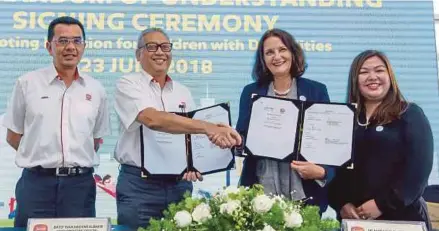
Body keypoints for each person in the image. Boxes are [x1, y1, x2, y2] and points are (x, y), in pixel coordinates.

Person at [114, 28, 241, 229]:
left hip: (178, 185)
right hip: (139, 187)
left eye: (165, 47)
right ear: (138, 54)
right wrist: (209, 128)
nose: (160, 52)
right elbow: (153, 119)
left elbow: (191, 137)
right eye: (151, 47)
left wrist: (194, 164)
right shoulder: (128, 84)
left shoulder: (183, 91)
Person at [3, 16, 110, 227]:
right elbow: (13, 136)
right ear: (49, 46)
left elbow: (96, 140)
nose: (70, 47)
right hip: (36, 184)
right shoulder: (27, 84)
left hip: (79, 187)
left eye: (77, 41)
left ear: (84, 47)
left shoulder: (96, 89)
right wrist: (41, 155)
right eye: (62, 41)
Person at [328, 50, 433, 229]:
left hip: (403, 219)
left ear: (389, 76)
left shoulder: (410, 114)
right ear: (355, 79)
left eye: (379, 70)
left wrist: (381, 204)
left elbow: (418, 172)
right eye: (364, 72)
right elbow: (334, 169)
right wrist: (342, 204)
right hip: (356, 222)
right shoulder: (345, 118)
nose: (372, 77)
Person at [236, 28, 334, 214]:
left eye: (282, 49)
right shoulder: (250, 92)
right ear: (262, 59)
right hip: (260, 196)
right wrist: (233, 139)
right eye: (269, 52)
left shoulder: (316, 91)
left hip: (306, 196)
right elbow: (242, 138)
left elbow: (328, 143)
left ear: (293, 53)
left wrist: (323, 172)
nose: (277, 56)